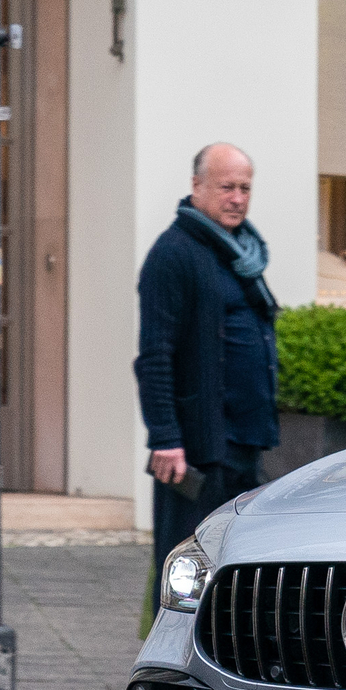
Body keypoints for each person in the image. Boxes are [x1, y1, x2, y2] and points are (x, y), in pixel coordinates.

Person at [136, 142, 278, 568]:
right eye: (226, 187)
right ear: (197, 185)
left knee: (235, 563)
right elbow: (155, 355)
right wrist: (165, 438)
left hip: (246, 441)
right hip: (201, 447)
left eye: (245, 188)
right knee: (189, 562)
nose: (237, 198)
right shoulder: (174, 254)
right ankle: (171, 636)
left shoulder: (242, 254)